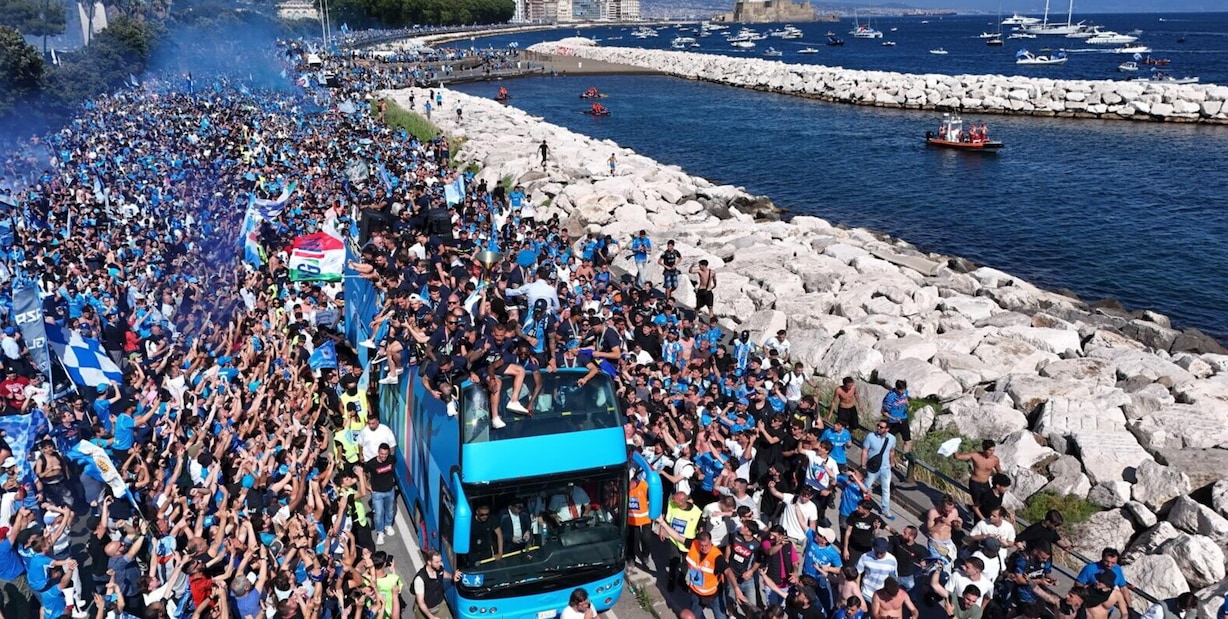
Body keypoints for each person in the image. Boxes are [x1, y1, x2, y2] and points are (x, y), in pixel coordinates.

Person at [681, 531, 735, 619]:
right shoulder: (694, 545)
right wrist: (663, 523)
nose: (704, 548)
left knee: (721, 617)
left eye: (706, 545)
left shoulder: (716, 557)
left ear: (711, 542)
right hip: (696, 593)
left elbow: (728, 571)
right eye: (701, 545)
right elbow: (678, 537)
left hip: (714, 595)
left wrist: (736, 589)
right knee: (695, 616)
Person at [861, 421, 897, 520]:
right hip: (872, 468)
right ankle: (863, 505)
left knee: (886, 489)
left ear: (887, 429)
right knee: (865, 487)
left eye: (881, 427)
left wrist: (892, 463)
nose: (878, 428)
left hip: (885, 468)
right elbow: (865, 450)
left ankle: (885, 510)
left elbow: (892, 451)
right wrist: (863, 464)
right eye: (878, 426)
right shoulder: (870, 436)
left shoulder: (892, 438)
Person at [364, 443, 398, 546]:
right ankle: (380, 532)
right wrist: (366, 485)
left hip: (389, 490)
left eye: (385, 454)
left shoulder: (392, 459)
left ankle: (388, 525)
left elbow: (393, 468)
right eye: (382, 453)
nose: (384, 456)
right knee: (378, 513)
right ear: (378, 452)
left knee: (390, 510)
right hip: (377, 492)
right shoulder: (371, 463)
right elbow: (364, 473)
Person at [954, 440, 1001, 510]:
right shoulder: (975, 455)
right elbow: (958, 457)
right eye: (989, 450)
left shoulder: (995, 459)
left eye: (993, 450)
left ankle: (971, 508)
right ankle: (975, 513)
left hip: (986, 483)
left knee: (988, 502)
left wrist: (999, 483)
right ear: (984, 449)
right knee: (979, 504)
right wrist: (954, 448)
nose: (992, 452)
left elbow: (999, 471)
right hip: (975, 483)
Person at [414, 550, 461, 619]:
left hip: (440, 605)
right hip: (426, 610)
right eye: (437, 562)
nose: (440, 563)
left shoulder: (438, 568)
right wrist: (431, 617)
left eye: (440, 560)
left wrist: (452, 577)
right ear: (429, 562)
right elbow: (421, 602)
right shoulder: (420, 579)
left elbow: (443, 573)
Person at [855, 537, 898, 605]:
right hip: (866, 593)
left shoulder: (892, 560)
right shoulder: (865, 557)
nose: (879, 555)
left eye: (881, 553)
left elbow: (893, 579)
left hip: (882, 595)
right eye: (877, 551)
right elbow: (857, 573)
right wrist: (857, 591)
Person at [925, 495, 963, 571]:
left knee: (947, 566)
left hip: (947, 541)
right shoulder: (933, 513)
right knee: (935, 567)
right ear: (941, 505)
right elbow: (930, 530)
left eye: (950, 510)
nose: (948, 512)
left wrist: (958, 525)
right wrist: (940, 523)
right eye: (946, 510)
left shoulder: (954, 512)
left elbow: (957, 528)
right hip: (936, 542)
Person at [879, 380, 911, 454]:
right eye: (901, 390)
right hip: (893, 422)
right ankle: (884, 454)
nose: (902, 392)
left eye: (904, 390)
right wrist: (893, 418)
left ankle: (904, 458)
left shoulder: (905, 392)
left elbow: (905, 398)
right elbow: (883, 411)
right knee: (888, 440)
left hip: (903, 419)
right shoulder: (890, 397)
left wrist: (908, 405)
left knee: (907, 441)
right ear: (896, 388)